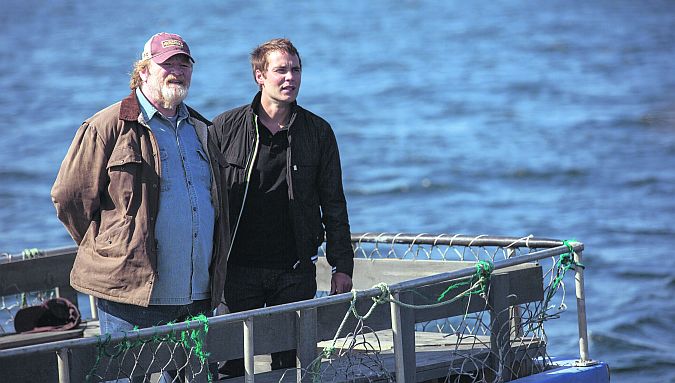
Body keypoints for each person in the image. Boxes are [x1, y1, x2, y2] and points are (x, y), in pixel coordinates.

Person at [51, 32, 229, 380]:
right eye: (167, 64)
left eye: (184, 63)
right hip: (130, 299)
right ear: (143, 71)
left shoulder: (203, 130)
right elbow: (69, 197)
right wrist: (110, 248)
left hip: (196, 298)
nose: (177, 71)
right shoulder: (108, 126)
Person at [210, 38, 354, 378]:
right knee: (231, 365)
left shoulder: (318, 132)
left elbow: (334, 203)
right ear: (259, 76)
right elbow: (206, 201)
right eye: (280, 70)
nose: (290, 78)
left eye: (296, 70)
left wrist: (342, 265)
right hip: (237, 269)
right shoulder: (224, 128)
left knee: (289, 364)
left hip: (294, 269)